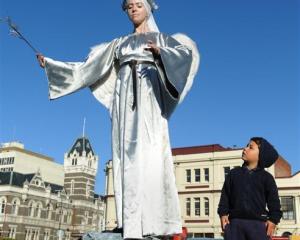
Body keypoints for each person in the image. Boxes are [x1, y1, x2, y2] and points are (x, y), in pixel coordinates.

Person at [37, 0, 200, 239]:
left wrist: (161, 54)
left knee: (151, 152)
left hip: (150, 99)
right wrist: (52, 66)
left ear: (148, 8)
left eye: (138, 4)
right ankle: (131, 221)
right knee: (126, 155)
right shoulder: (119, 44)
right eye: (129, 6)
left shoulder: (162, 39)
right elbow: (87, 68)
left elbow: (184, 57)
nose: (133, 9)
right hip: (125, 102)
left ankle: (153, 220)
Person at [217, 137, 282, 240]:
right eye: (247, 145)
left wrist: (273, 220)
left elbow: (274, 203)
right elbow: (225, 196)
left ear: (261, 156)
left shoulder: (267, 178)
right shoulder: (233, 174)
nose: (245, 148)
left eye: (250, 147)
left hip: (259, 226)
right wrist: (223, 213)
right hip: (234, 224)